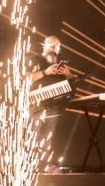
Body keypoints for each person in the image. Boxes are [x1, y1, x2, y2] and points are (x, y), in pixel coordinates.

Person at [28, 35, 73, 171]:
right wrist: (45, 72)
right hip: (36, 105)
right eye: (53, 46)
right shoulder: (35, 59)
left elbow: (72, 86)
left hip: (53, 107)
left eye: (58, 46)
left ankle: (43, 166)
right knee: (33, 135)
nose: (56, 49)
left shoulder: (61, 64)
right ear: (45, 45)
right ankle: (29, 166)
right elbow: (25, 77)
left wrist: (68, 74)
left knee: (47, 138)